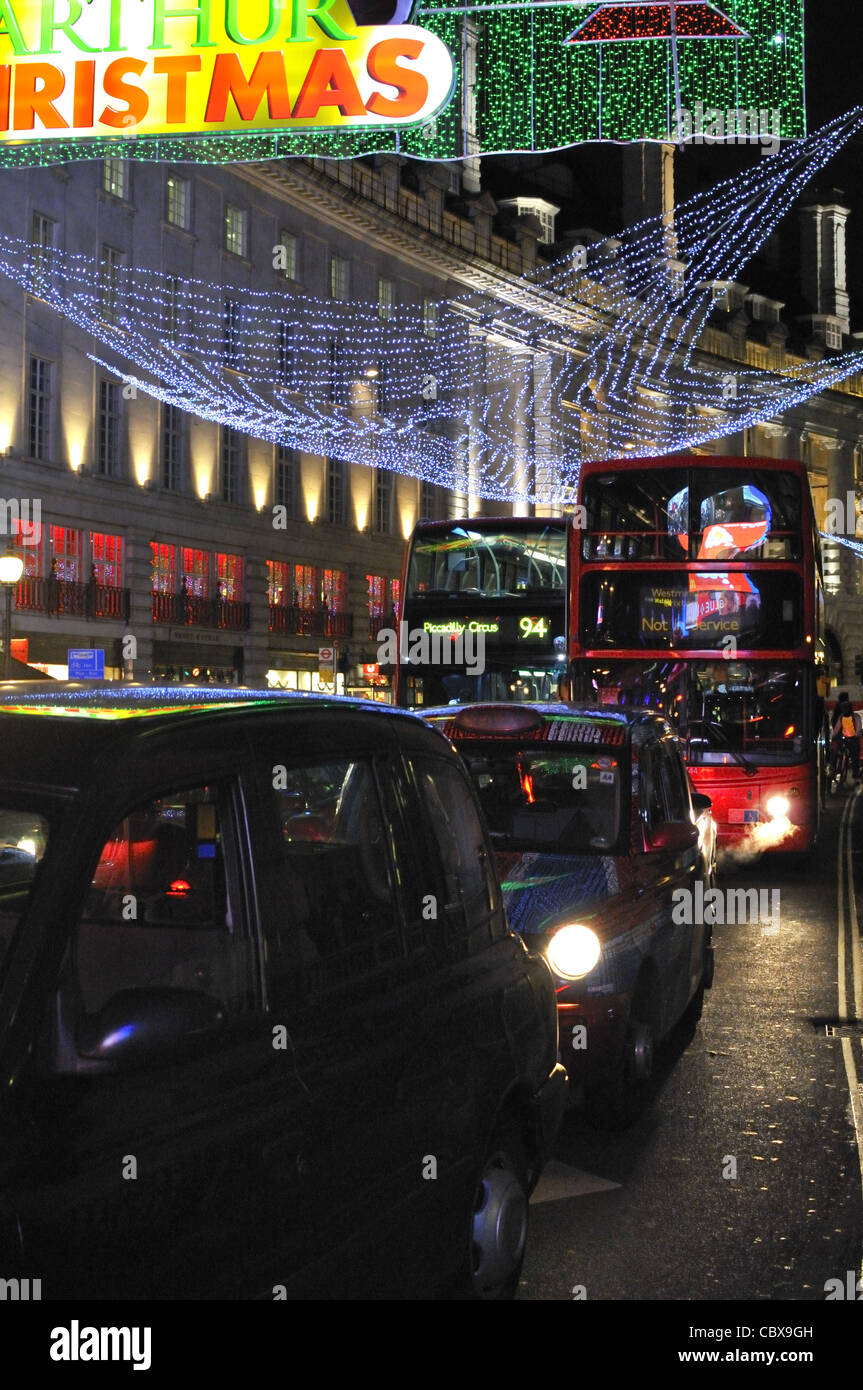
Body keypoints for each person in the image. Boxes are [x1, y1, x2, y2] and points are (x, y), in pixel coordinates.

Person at [831, 692, 861, 780]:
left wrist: (834, 736)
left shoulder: (838, 712)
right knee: (855, 755)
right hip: (851, 738)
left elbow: (836, 726)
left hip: (841, 736)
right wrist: (856, 735)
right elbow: (858, 728)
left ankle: (833, 767)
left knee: (835, 751)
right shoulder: (855, 716)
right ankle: (855, 773)